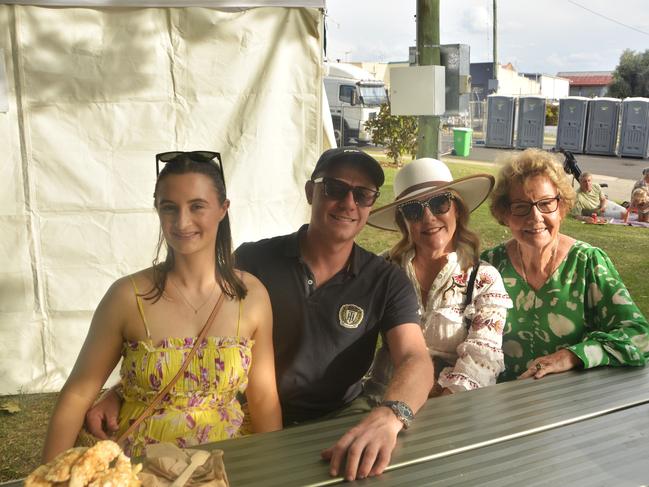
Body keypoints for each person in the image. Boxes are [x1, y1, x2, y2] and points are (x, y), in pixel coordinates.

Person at [85, 147, 433, 481]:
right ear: (312, 191)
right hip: (247, 418)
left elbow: (415, 358)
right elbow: (191, 330)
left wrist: (391, 415)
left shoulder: (385, 280)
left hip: (338, 419)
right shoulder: (253, 262)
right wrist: (123, 390)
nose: (348, 203)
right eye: (335, 188)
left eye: (363, 194)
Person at [43, 151, 282, 461]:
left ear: (223, 209)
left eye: (197, 206)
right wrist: (47, 478)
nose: (182, 222)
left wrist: (275, 467)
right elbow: (77, 395)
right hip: (142, 469)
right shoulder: (128, 297)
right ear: (157, 210)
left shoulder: (251, 295)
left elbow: (263, 397)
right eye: (169, 208)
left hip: (229, 465)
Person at [482, 148, 649, 382]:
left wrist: (572, 356)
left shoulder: (587, 263)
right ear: (505, 213)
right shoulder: (489, 267)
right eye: (521, 206)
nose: (535, 217)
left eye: (546, 203)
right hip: (499, 405)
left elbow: (640, 336)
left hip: (569, 406)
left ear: (561, 208)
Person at [363, 158, 511, 399]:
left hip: (453, 405)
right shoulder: (383, 269)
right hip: (382, 397)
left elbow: (482, 358)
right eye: (413, 210)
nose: (428, 217)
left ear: (457, 209)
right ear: (404, 221)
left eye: (439, 203)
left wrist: (438, 402)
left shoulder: (483, 279)